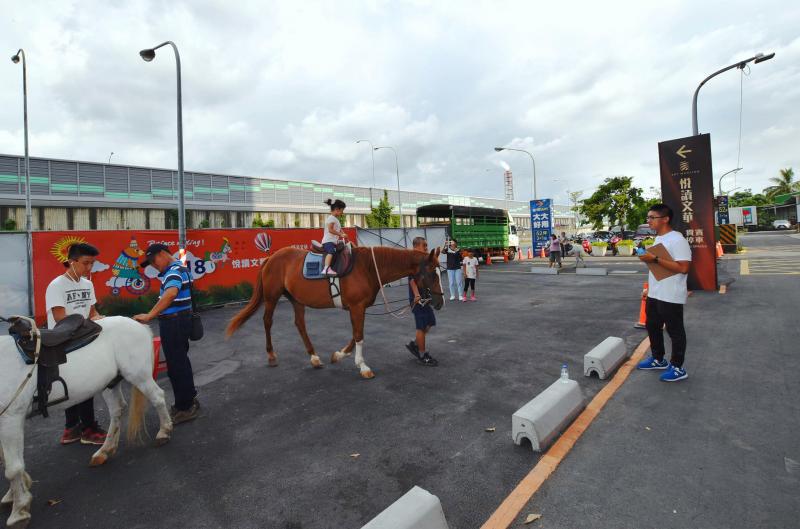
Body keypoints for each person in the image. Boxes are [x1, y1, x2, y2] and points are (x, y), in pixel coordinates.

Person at [45, 243, 108, 446]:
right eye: (85, 263)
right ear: (72, 262)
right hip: (63, 342)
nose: (89, 268)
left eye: (92, 263)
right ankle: (87, 428)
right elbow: (60, 318)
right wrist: (87, 326)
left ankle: (71, 429)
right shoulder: (56, 285)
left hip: (83, 340)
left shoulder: (87, 284)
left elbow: (92, 313)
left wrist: (102, 320)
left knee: (78, 385)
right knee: (82, 385)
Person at [134, 244, 200, 423]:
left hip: (174, 322)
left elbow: (170, 294)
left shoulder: (173, 271)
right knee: (181, 362)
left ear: (162, 254)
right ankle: (189, 399)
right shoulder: (180, 267)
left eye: (153, 261)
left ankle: (185, 407)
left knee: (176, 366)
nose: (153, 266)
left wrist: (150, 315)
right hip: (181, 320)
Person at [636, 204, 692, 382]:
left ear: (665, 219)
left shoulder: (677, 240)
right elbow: (657, 267)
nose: (649, 221)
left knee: (675, 331)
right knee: (652, 326)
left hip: (671, 294)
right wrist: (649, 288)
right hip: (656, 293)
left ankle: (678, 367)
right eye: (648, 217)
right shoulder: (658, 239)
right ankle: (658, 359)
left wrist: (654, 258)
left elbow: (683, 268)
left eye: (652, 217)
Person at [405, 237, 438, 366]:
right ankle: (423, 355)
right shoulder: (413, 260)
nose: (426, 248)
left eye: (426, 245)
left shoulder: (422, 259)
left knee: (430, 322)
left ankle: (414, 343)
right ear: (416, 246)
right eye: (424, 245)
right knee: (421, 326)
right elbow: (412, 279)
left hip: (425, 298)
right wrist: (417, 295)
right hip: (417, 300)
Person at [321, 199, 347, 276]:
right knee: (331, 252)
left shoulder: (335, 219)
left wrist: (343, 233)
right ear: (336, 209)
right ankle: (326, 269)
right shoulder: (331, 218)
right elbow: (330, 230)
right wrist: (341, 235)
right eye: (342, 210)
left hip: (332, 241)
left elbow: (338, 228)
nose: (342, 212)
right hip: (328, 241)